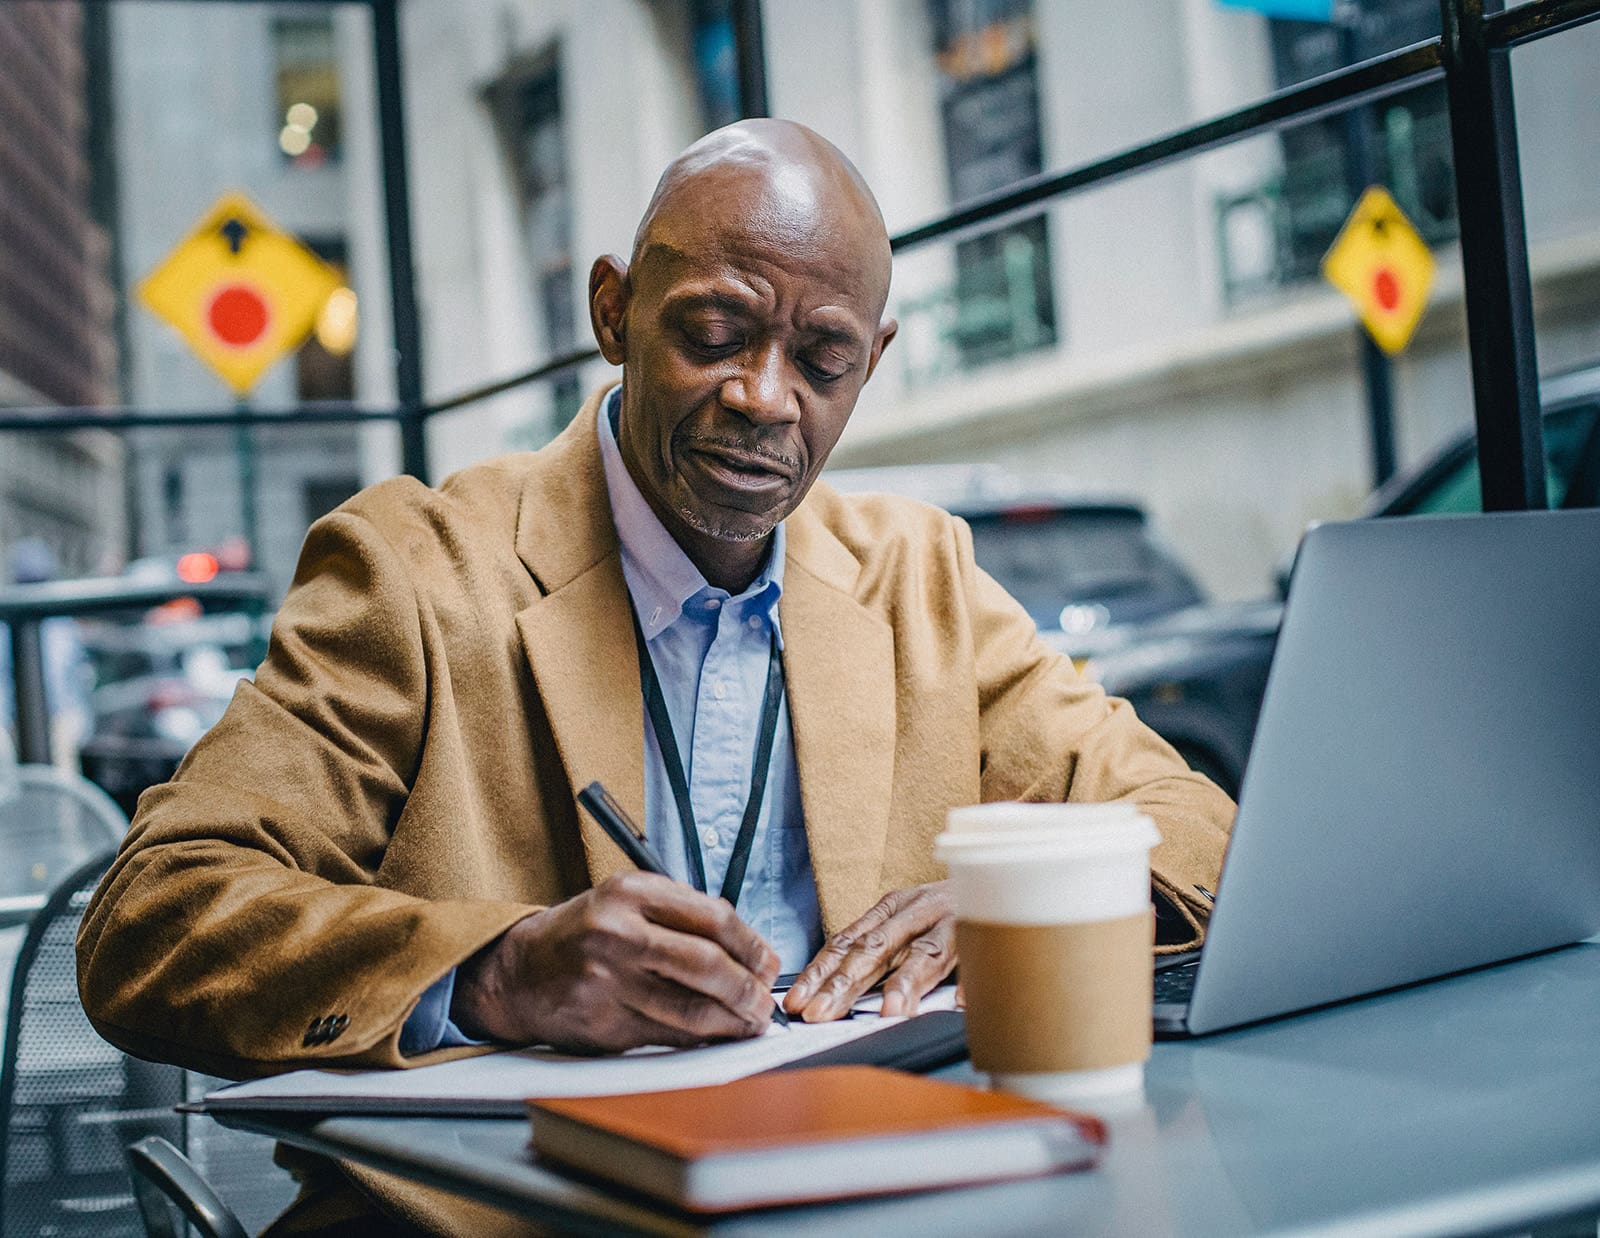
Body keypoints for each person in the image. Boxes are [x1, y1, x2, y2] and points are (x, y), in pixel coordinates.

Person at [78, 120, 1233, 1235]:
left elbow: (1200, 828)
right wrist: (496, 968)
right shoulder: (414, 572)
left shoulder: (918, 576)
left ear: (871, 363)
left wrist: (1014, 912)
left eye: (823, 359)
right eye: (715, 333)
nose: (764, 396)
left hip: (871, 1191)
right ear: (612, 311)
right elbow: (155, 917)